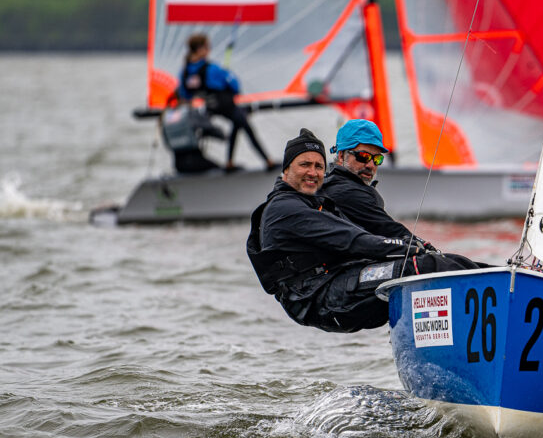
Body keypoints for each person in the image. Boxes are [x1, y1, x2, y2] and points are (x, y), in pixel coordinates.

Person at [247, 129, 485, 333]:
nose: (313, 172)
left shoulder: (314, 202)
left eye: (319, 166)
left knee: (436, 266)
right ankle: (499, 292)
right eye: (305, 165)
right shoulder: (285, 207)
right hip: (319, 298)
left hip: (332, 285)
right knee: (422, 267)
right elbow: (354, 240)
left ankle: (502, 282)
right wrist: (408, 247)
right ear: (286, 169)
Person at [318, 118, 435, 249]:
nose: (370, 165)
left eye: (377, 159)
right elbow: (387, 228)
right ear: (341, 156)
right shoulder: (343, 191)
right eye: (363, 156)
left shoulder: (347, 186)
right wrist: (426, 247)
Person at [178, 33, 276, 171]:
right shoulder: (212, 68)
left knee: (237, 123)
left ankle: (229, 162)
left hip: (208, 108)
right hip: (225, 105)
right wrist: (228, 75)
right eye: (207, 47)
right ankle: (268, 161)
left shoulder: (185, 71)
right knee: (246, 127)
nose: (209, 50)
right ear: (200, 49)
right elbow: (234, 85)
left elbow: (184, 95)